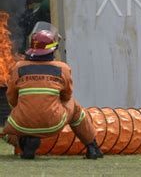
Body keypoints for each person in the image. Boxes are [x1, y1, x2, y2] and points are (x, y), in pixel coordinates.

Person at [2, 22, 103, 159]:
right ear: (52, 49)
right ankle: (93, 147)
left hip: (19, 124)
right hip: (52, 125)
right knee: (76, 108)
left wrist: (26, 112)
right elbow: (66, 96)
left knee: (6, 131)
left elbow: (11, 98)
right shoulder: (63, 68)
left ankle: (25, 143)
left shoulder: (18, 67)